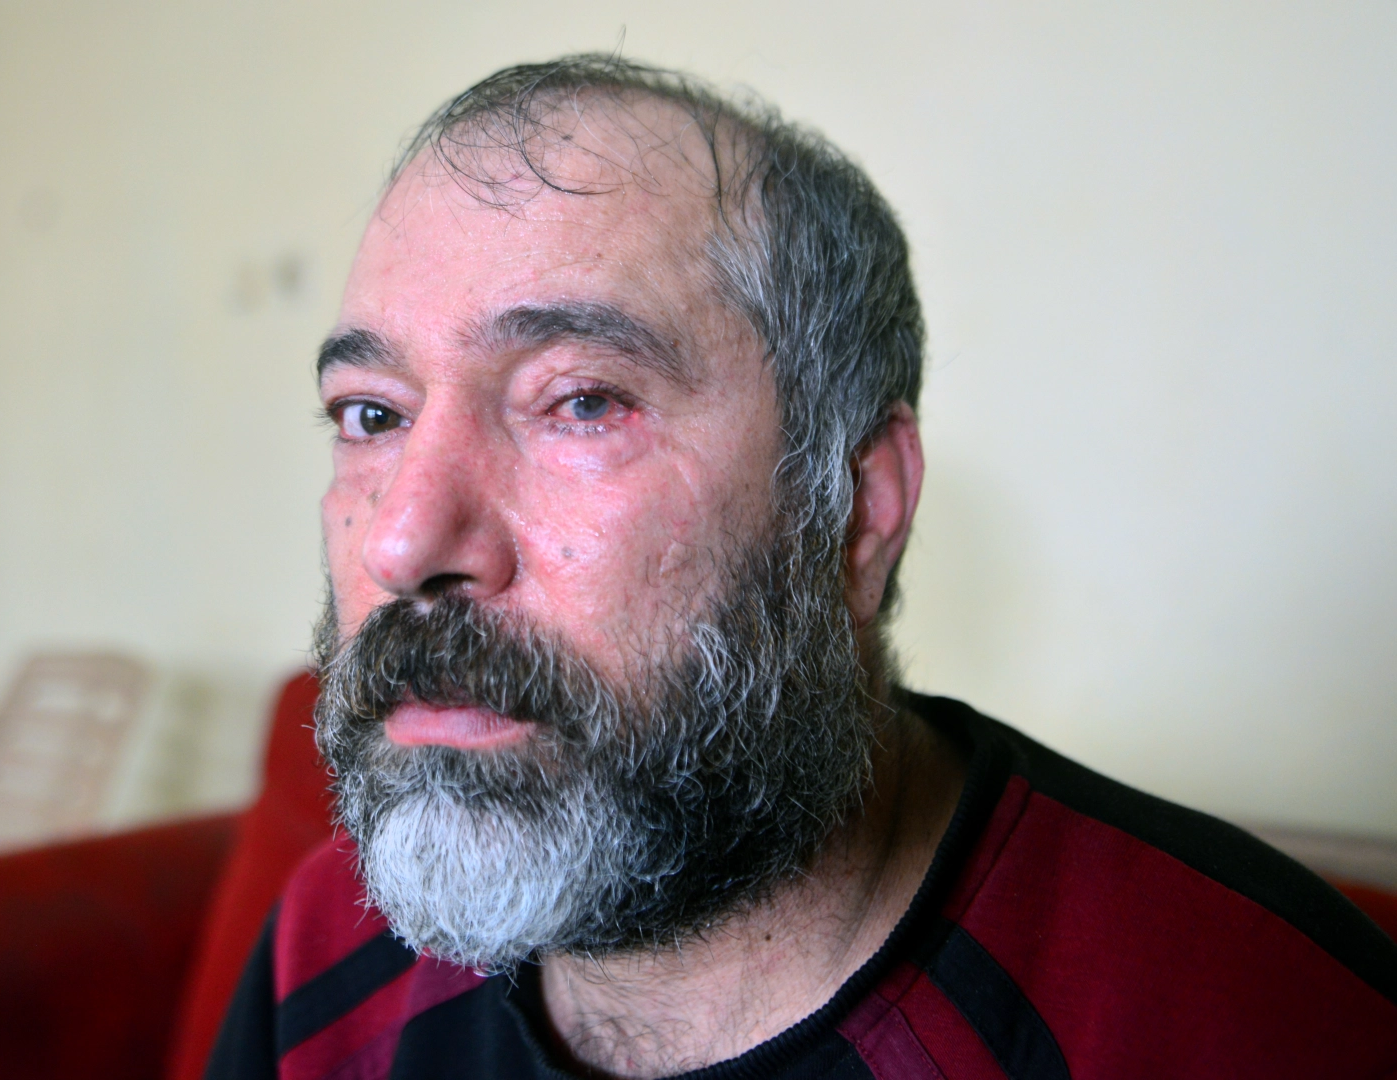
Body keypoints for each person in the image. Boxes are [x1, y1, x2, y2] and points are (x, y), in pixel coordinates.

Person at [207, 55, 1397, 1079]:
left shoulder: (1246, 1021)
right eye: (371, 415)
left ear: (856, 510)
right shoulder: (329, 951)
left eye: (582, 401)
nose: (405, 542)